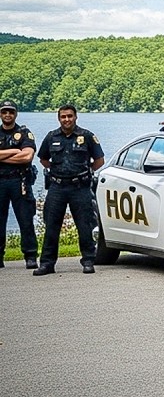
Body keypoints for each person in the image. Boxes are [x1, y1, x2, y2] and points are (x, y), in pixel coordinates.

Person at [34, 104, 105, 276]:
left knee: (84, 226)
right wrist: (56, 170)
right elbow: (43, 159)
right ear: (59, 118)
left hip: (79, 187)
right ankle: (47, 264)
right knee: (51, 226)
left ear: (75, 117)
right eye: (63, 116)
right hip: (57, 187)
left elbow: (99, 160)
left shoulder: (86, 136)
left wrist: (85, 172)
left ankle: (88, 261)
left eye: (70, 116)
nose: (67, 119)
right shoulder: (51, 137)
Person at [0, 100, 40, 269]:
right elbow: (21, 154)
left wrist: (2, 156)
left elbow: (27, 157)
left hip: (20, 181)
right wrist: (15, 151)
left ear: (16, 114)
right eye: (4, 111)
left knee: (25, 219)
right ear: (0, 114)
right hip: (0, 182)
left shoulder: (24, 133)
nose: (7, 115)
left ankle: (30, 256)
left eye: (11, 111)